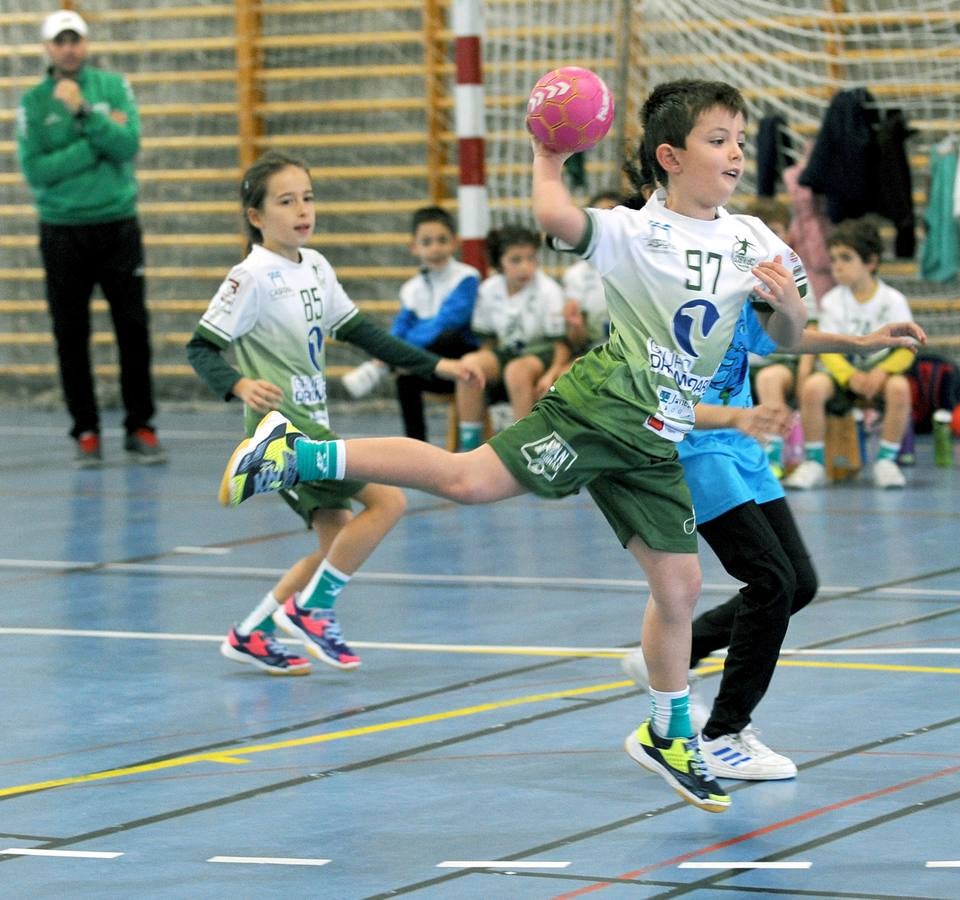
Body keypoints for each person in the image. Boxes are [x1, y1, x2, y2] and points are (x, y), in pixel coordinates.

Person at [215, 80, 813, 813]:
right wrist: (546, 154)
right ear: (670, 156)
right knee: (468, 480)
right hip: (603, 408)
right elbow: (555, 216)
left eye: (738, 139)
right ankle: (297, 454)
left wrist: (785, 310)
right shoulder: (637, 230)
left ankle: (667, 732)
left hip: (661, 431)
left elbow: (788, 339)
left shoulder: (755, 239)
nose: (734, 152)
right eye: (717, 139)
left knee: (680, 588)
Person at [186, 151, 482, 674]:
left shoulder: (316, 266)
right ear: (256, 216)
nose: (302, 209)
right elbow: (201, 347)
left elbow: (364, 333)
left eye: (308, 197)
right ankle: (312, 611)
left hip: (315, 423)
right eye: (286, 201)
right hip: (284, 435)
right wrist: (238, 384)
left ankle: (252, 633)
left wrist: (439, 367)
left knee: (336, 543)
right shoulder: (250, 276)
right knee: (388, 501)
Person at [624, 303, 925, 780]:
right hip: (698, 447)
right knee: (770, 581)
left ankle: (668, 654)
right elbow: (660, 400)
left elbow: (783, 336)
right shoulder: (668, 286)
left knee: (799, 583)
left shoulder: (735, 266)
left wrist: (865, 342)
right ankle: (723, 735)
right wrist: (733, 418)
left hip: (741, 442)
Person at [17, 10, 164, 466]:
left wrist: (84, 114)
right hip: (61, 231)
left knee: (133, 329)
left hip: (117, 225)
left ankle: (140, 425)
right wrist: (94, 144)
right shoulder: (34, 103)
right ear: (47, 48)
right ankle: (85, 430)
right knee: (70, 332)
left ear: (85, 44)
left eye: (74, 40)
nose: (68, 48)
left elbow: (127, 145)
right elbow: (37, 171)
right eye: (59, 41)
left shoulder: (113, 88)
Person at [784, 217, 916, 490]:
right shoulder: (832, 301)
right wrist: (849, 376)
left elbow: (907, 348)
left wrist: (883, 371)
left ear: (871, 262)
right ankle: (815, 462)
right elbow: (829, 352)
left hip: (880, 376)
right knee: (812, 388)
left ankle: (886, 461)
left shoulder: (893, 300)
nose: (838, 266)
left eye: (846, 258)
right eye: (833, 259)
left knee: (901, 387)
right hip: (844, 377)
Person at [341, 207, 481, 443]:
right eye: (427, 242)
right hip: (430, 370)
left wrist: (402, 354)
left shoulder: (467, 277)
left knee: (447, 335)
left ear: (455, 243)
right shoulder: (411, 288)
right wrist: (389, 351)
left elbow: (449, 320)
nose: (435, 247)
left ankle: (385, 366)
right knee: (405, 379)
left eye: (442, 240)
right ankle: (417, 444)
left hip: (460, 360)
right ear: (414, 247)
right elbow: (399, 328)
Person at [453, 223, 569, 450]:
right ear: (499, 263)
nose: (525, 267)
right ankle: (470, 445)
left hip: (543, 353)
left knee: (516, 371)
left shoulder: (549, 291)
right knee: (468, 366)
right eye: (516, 260)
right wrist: (483, 372)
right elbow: (488, 343)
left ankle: (523, 447)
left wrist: (551, 373)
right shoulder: (489, 290)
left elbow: (562, 346)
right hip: (508, 351)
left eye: (531, 258)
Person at [744, 197, 817, 478]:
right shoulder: (741, 270)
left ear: (788, 234)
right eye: (762, 232)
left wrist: (803, 377)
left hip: (783, 363)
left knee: (768, 378)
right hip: (743, 362)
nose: (770, 239)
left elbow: (806, 330)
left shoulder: (796, 274)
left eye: (776, 231)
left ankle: (773, 451)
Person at [561, 190, 625, 356]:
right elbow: (578, 342)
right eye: (600, 218)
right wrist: (576, 325)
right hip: (594, 353)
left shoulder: (644, 267)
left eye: (612, 216)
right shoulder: (576, 275)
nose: (607, 224)